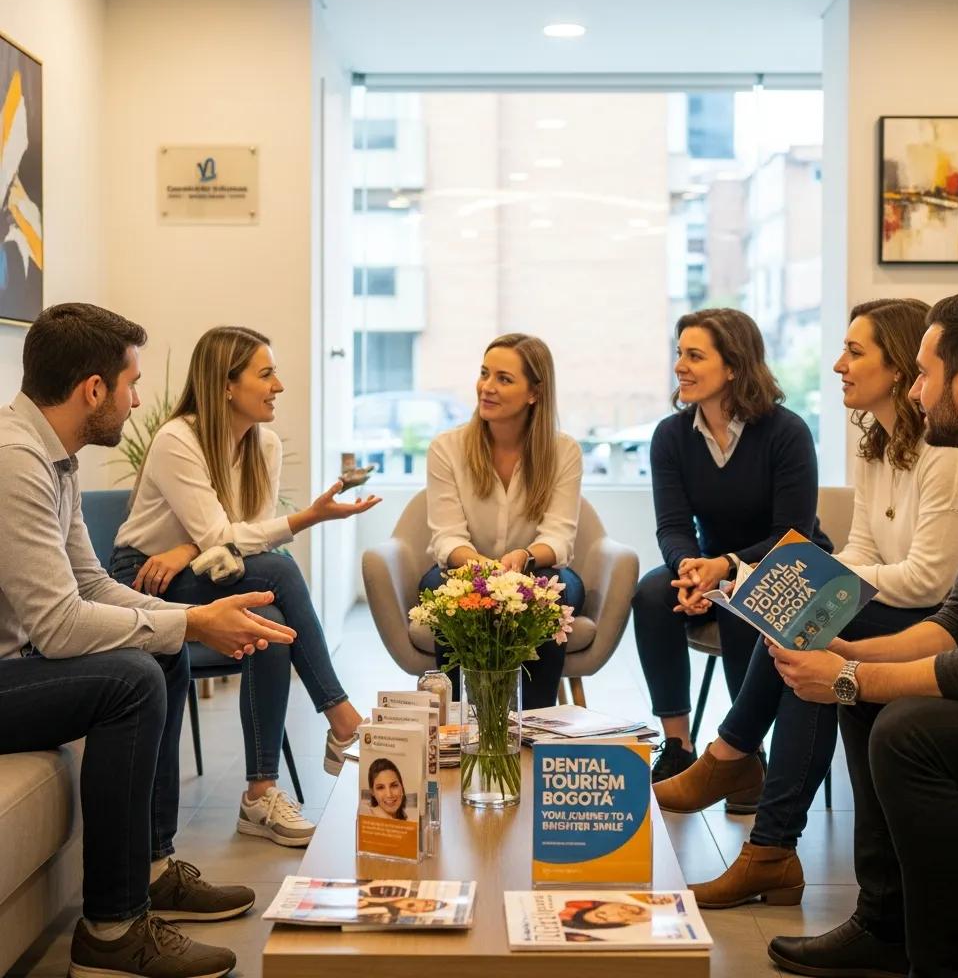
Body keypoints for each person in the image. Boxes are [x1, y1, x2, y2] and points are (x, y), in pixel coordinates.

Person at [0, 303, 298, 978]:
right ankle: (111, 930)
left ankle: (154, 867)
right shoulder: (15, 462)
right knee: (131, 679)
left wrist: (189, 621)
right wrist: (192, 621)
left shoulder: (55, 456)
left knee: (153, 650)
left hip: (16, 662)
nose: (139, 402)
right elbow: (60, 624)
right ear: (93, 390)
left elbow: (93, 587)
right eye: (130, 384)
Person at [654, 298, 958, 907]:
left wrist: (827, 593)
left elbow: (934, 579)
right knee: (803, 627)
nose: (837, 365)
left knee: (809, 621)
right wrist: (816, 586)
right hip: (895, 600)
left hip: (939, 619)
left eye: (855, 353)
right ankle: (765, 841)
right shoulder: (877, 442)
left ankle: (737, 774)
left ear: (902, 367)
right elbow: (857, 548)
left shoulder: (945, 453)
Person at [763, 291, 958, 978]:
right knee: (875, 703)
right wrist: (847, 654)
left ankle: (943, 964)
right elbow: (951, 626)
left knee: (907, 731)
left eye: (924, 374)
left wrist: (848, 677)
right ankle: (884, 926)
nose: (914, 389)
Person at [111, 326, 380, 848]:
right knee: (279, 571)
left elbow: (236, 543)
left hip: (195, 569)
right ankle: (342, 719)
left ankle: (260, 793)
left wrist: (189, 548)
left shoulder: (266, 444)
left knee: (272, 621)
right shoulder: (178, 440)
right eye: (266, 373)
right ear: (226, 385)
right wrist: (304, 519)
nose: (278, 384)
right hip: (145, 578)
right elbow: (225, 536)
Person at [633, 308, 830, 793]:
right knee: (651, 594)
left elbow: (792, 533)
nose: (680, 365)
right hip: (712, 564)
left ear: (734, 366)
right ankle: (678, 748)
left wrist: (721, 569)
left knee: (742, 596)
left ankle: (746, 753)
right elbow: (674, 526)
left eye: (695, 355)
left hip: (793, 565)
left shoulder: (786, 432)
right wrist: (687, 570)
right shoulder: (671, 436)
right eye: (679, 353)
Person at [422, 333, 584, 709]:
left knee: (547, 599)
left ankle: (536, 726)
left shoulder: (564, 451)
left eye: (504, 379)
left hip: (538, 570)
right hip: (464, 569)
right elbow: (446, 537)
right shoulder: (447, 448)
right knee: (449, 595)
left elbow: (559, 536)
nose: (487, 388)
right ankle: (459, 727)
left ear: (535, 393)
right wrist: (484, 571)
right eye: (484, 374)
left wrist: (522, 558)